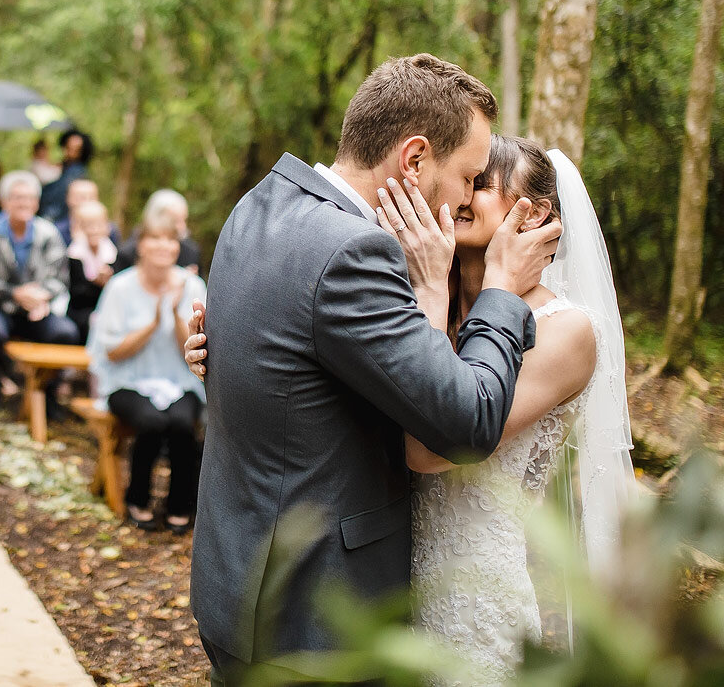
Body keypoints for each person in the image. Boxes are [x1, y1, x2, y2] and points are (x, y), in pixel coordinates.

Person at [182, 54, 561, 683]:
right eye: (468, 176)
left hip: (234, 586)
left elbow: (290, 363)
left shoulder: (260, 203)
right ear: (414, 160)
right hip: (311, 623)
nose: (468, 196)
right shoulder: (356, 252)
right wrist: (500, 290)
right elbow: (465, 425)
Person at [88, 217, 206, 533]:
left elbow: (197, 347)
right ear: (140, 246)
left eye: (169, 239)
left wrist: (173, 314)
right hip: (127, 380)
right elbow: (111, 351)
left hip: (180, 380)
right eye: (154, 238)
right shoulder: (120, 286)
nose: (162, 246)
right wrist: (153, 324)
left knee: (182, 424)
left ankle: (180, 506)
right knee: (152, 421)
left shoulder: (192, 286)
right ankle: (137, 498)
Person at [0, 171, 80, 407]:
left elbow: (60, 280)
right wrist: (15, 293)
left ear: (37, 203)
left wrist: (41, 296)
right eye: (17, 197)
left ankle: (48, 395)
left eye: (29, 198)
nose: (23, 203)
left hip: (36, 311)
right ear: (4, 201)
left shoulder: (48, 234)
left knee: (66, 332)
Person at [114, 189, 200, 275]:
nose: (182, 227)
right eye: (175, 221)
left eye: (184, 220)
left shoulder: (191, 252)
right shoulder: (127, 254)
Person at [66, 200, 117, 341]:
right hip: (81, 310)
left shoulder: (113, 252)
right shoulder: (74, 254)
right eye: (88, 225)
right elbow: (76, 293)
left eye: (98, 225)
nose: (94, 230)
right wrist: (96, 283)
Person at [37, 128, 92, 223]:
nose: (70, 151)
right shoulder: (61, 167)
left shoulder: (77, 172)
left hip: (60, 219)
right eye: (68, 147)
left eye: (76, 149)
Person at [53, 177, 115, 246]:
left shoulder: (110, 230)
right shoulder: (57, 230)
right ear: (68, 198)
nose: (86, 201)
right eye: (80, 197)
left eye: (91, 197)